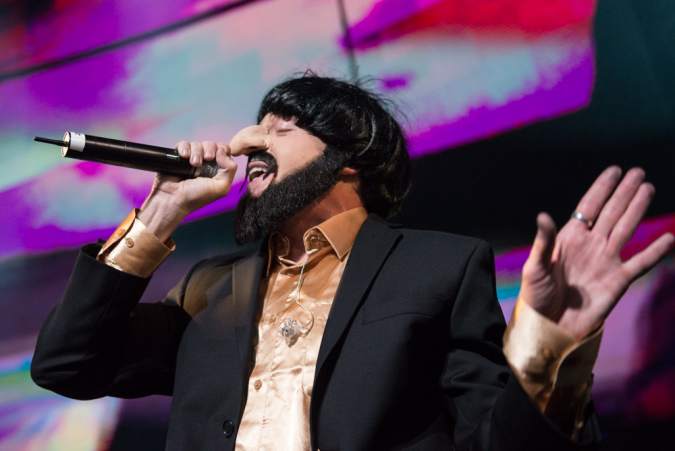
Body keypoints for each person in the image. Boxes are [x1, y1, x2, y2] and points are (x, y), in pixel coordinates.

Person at [31, 74, 673, 451]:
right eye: (253, 127)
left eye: (279, 128)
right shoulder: (209, 288)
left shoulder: (438, 268)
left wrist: (551, 349)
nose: (245, 142)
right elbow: (67, 364)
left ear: (348, 161)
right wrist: (161, 212)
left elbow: (494, 441)